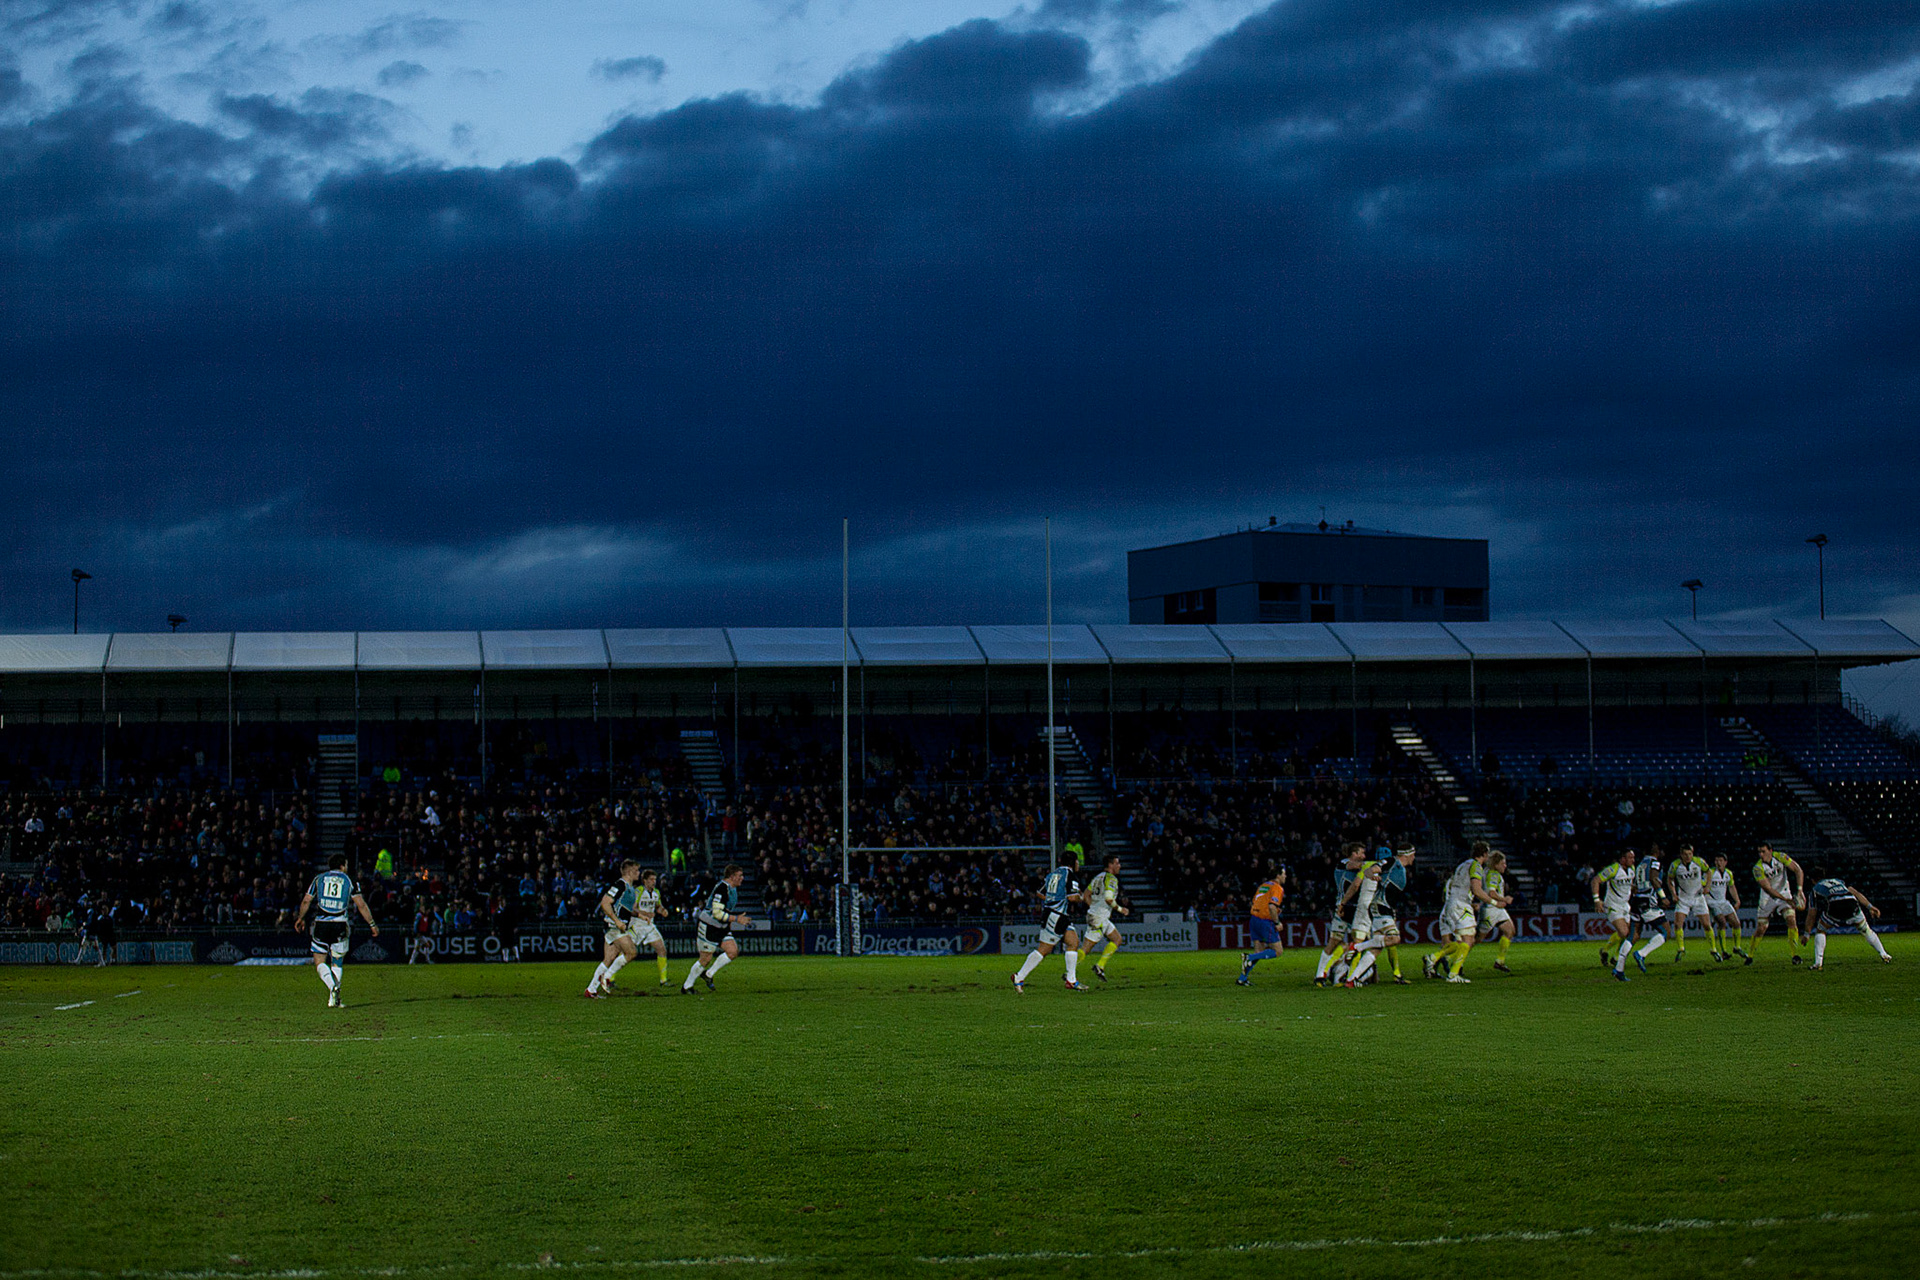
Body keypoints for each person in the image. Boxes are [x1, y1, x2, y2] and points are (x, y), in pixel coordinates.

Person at [293, 854, 379, 1008]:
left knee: (319, 961)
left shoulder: (319, 879)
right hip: (340, 924)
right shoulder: (349, 880)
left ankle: (332, 988)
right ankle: (334, 997)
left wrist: (300, 918)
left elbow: (306, 900)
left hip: (322, 924)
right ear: (342, 865)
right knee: (337, 961)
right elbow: (361, 905)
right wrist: (371, 924)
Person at [1011, 862, 1087, 992]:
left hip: (1058, 915)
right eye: (1077, 862)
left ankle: (1071, 980)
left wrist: (1052, 901)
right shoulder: (1069, 875)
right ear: (1073, 862)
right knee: (1044, 949)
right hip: (1057, 916)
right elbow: (1073, 898)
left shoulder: (1053, 875)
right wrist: (1081, 897)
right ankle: (1019, 976)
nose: (1078, 865)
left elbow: (1040, 893)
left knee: (1073, 942)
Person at [1346, 844, 1416, 986]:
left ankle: (1352, 979)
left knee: (1377, 948)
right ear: (1407, 855)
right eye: (1413, 854)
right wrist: (1372, 874)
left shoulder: (1399, 868)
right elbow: (1370, 870)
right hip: (1380, 906)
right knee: (1394, 938)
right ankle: (1357, 947)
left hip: (1386, 907)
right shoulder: (1391, 862)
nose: (1414, 858)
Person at [1425, 841, 1494, 984]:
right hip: (1461, 904)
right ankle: (1453, 974)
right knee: (1469, 940)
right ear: (1485, 854)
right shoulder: (1476, 866)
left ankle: (1433, 958)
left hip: (1452, 904)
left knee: (1460, 941)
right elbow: (1476, 889)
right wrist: (1493, 902)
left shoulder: (1463, 865)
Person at [682, 864, 751, 993]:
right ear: (732, 876)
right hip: (709, 926)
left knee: (732, 951)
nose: (742, 878)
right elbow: (717, 913)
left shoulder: (732, 889)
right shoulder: (721, 889)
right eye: (740, 875)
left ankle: (708, 975)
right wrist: (736, 919)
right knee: (705, 959)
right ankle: (687, 986)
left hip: (721, 926)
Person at [1800, 876, 1892, 969]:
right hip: (1852, 902)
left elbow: (1812, 913)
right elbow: (1856, 893)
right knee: (1865, 930)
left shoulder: (1815, 889)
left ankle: (1818, 963)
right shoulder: (1839, 881)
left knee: (1821, 930)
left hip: (1836, 905)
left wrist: (1807, 934)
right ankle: (1884, 954)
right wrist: (1870, 907)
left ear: (1813, 880)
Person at [1313, 843, 1369, 987]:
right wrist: (1373, 865)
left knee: (1351, 942)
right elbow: (1353, 866)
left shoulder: (1358, 868)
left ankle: (1346, 974)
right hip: (1345, 908)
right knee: (1338, 941)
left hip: (1353, 909)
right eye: (1361, 853)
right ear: (1354, 853)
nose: (1364, 856)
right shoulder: (1343, 863)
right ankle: (1321, 975)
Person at [586, 861, 643, 998]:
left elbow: (627, 909)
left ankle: (591, 990)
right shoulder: (620, 885)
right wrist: (617, 922)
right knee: (631, 952)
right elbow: (605, 903)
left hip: (615, 926)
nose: (639, 873)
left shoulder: (630, 889)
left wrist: (641, 915)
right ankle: (607, 977)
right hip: (614, 927)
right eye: (636, 871)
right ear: (629, 872)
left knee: (609, 959)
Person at [1748, 843, 1805, 965]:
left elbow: (1798, 870)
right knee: (1761, 928)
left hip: (1784, 893)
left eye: (1763, 851)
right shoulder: (1757, 868)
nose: (1761, 854)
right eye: (1759, 852)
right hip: (1767, 898)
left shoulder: (1780, 857)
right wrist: (1786, 899)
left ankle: (1795, 954)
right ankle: (1750, 955)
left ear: (1770, 850)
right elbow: (1768, 889)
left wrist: (1800, 890)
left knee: (1791, 920)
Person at [1589, 848, 1638, 982]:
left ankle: (1610, 954)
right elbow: (1595, 880)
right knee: (1624, 932)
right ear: (1622, 859)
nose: (1633, 860)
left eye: (1633, 858)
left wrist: (1634, 890)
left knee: (1628, 934)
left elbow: (1628, 885)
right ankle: (1614, 957)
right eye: (1630, 858)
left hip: (1625, 906)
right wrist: (1596, 900)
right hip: (1613, 905)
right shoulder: (1613, 869)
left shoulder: (1632, 869)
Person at [1079, 854, 1129, 981]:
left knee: (1117, 939)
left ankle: (1100, 966)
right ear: (1111, 865)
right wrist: (1120, 909)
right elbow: (1108, 899)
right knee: (1086, 948)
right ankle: (1069, 972)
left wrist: (1093, 908)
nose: (1119, 866)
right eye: (1117, 863)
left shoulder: (1098, 877)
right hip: (1099, 918)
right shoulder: (1111, 879)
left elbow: (1086, 895)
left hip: (1099, 916)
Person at [1237, 867, 1286, 986]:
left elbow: (1255, 901)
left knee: (1259, 950)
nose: (1285, 877)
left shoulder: (1263, 886)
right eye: (1284, 874)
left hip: (1254, 919)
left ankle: (1242, 978)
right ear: (1278, 876)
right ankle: (1249, 958)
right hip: (1265, 921)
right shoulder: (1277, 887)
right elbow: (1272, 906)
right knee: (1278, 951)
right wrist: (1277, 922)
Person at [1664, 844, 1711, 964]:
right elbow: (1669, 879)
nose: (1688, 856)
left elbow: (1708, 871)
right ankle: (1681, 949)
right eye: (1685, 854)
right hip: (1683, 898)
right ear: (1681, 855)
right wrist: (1674, 894)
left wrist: (1708, 886)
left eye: (1690, 853)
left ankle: (1714, 950)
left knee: (1706, 924)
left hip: (1698, 897)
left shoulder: (1699, 862)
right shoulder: (1675, 865)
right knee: (1678, 923)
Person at [1628, 846, 1668, 972]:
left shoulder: (1639, 865)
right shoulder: (1654, 863)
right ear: (1657, 852)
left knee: (1635, 934)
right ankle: (1641, 954)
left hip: (1636, 901)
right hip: (1647, 901)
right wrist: (1663, 897)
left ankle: (1618, 959)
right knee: (1665, 931)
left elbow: (1633, 886)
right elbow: (1653, 878)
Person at [1477, 851, 1516, 973]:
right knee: (1476, 939)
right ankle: (1450, 957)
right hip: (1491, 910)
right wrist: (1505, 899)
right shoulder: (1494, 875)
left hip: (1497, 910)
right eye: (1503, 863)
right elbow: (1491, 893)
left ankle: (1500, 961)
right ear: (1496, 864)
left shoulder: (1488, 872)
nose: (1505, 866)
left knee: (1510, 931)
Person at [630, 868, 669, 986]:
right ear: (645, 881)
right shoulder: (639, 891)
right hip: (637, 924)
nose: (654, 881)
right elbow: (633, 908)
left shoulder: (656, 892)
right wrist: (645, 913)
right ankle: (610, 978)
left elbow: (658, 906)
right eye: (651, 879)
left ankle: (664, 980)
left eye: (655, 879)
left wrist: (663, 910)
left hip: (649, 925)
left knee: (662, 949)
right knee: (627, 952)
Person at [1706, 852, 1746, 961]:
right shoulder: (1710, 873)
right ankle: (1724, 951)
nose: (1718, 863)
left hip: (1723, 901)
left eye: (1721, 861)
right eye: (1716, 861)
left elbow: (1731, 887)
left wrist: (1737, 900)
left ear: (1725, 862)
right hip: (1712, 901)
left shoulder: (1728, 873)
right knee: (1722, 922)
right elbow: (1702, 886)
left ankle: (1737, 947)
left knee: (1736, 923)